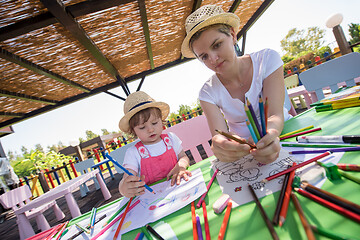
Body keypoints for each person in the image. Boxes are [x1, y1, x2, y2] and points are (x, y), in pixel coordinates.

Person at [181, 5, 291, 164]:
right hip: (245, 155)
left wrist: (271, 134)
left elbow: (274, 115)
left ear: (232, 35)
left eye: (217, 45)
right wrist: (221, 144)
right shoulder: (207, 92)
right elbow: (220, 134)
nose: (213, 59)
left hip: (287, 134)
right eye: (204, 56)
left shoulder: (267, 59)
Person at [118, 91, 192, 198]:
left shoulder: (171, 139)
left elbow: (183, 157)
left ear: (161, 121)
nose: (151, 129)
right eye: (142, 127)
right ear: (133, 131)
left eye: (154, 123)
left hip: (181, 189)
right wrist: (123, 188)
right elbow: (127, 177)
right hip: (152, 201)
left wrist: (181, 166)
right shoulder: (133, 153)